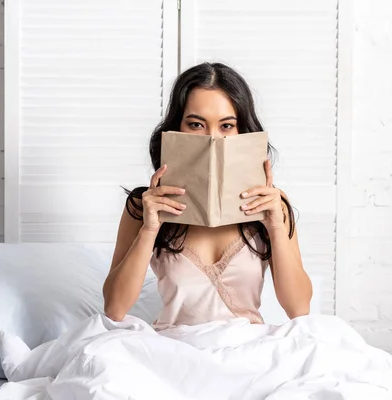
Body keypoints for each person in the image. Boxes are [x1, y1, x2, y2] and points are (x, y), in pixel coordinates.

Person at [103, 62, 312, 329]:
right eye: (196, 124)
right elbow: (114, 308)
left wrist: (274, 227)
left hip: (247, 349)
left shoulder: (271, 204)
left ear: (242, 132)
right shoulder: (144, 205)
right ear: (177, 129)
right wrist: (150, 229)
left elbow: (299, 308)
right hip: (174, 351)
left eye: (226, 126)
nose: (212, 139)